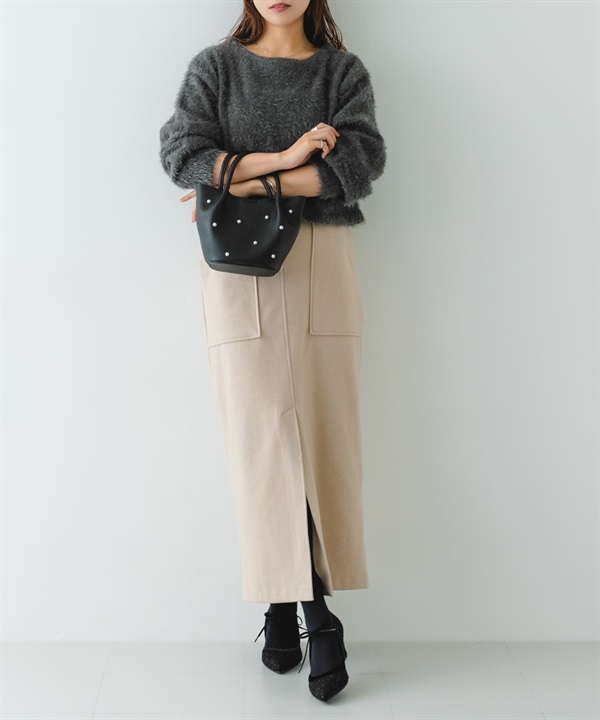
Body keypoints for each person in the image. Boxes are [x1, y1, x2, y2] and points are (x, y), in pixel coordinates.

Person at [159, 0, 386, 702]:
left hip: (323, 261)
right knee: (263, 444)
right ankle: (314, 615)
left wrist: (243, 178)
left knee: (321, 439)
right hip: (236, 268)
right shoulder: (216, 69)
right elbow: (182, 156)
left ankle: (286, 614)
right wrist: (290, 159)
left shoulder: (341, 73)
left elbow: (357, 165)